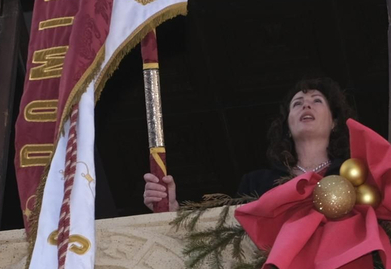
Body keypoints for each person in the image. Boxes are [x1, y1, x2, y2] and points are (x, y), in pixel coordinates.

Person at [142, 78, 354, 211]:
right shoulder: (256, 183)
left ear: (334, 122)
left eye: (317, 100)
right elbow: (224, 238)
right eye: (297, 104)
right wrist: (171, 210)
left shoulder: (353, 176)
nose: (306, 104)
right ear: (287, 126)